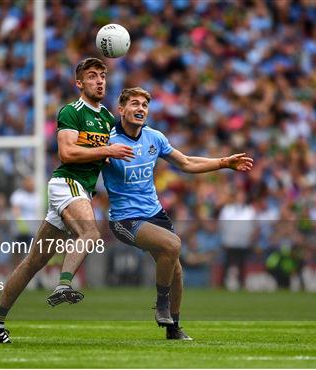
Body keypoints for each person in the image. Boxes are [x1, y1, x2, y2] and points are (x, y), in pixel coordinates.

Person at [0, 57, 134, 343]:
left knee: (33, 262)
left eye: (102, 75)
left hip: (80, 191)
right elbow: (67, 153)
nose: (100, 80)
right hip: (66, 183)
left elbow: (111, 154)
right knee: (90, 232)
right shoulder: (71, 111)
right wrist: (108, 151)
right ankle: (64, 284)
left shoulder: (106, 119)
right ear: (79, 83)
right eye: (92, 76)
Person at [104, 87, 253, 339]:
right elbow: (81, 160)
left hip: (155, 213)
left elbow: (185, 163)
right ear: (121, 110)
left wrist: (223, 163)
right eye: (134, 104)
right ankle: (161, 304)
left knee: (177, 271)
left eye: (144, 105)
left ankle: (173, 329)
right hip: (124, 219)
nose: (140, 109)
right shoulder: (108, 141)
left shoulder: (154, 138)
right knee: (173, 244)